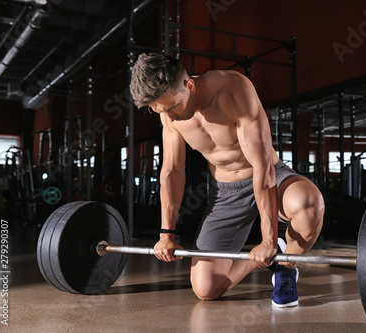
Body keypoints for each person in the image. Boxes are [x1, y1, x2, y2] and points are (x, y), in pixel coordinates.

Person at [130, 53, 324, 307]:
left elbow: (262, 164)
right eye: (160, 110)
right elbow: (172, 171)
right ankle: (273, 253)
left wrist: (267, 238)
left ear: (189, 85)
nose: (170, 116)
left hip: (270, 175)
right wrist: (166, 234)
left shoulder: (233, 88)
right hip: (227, 193)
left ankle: (285, 266)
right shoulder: (168, 112)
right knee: (206, 289)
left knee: (309, 205)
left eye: (171, 107)